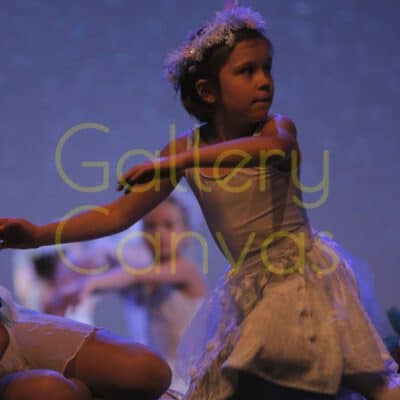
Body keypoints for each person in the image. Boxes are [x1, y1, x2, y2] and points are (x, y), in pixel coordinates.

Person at [1, 5, 399, 399]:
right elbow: (118, 215)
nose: (264, 81)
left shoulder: (275, 129)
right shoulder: (185, 150)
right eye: (247, 71)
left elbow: (271, 149)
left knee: (362, 377)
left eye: (267, 69)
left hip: (299, 275)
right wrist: (39, 235)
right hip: (250, 288)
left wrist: (179, 162)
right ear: (208, 91)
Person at [52, 195, 206, 392]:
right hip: (159, 378)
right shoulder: (143, 281)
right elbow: (121, 275)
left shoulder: (186, 270)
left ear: (186, 232)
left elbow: (133, 274)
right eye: (151, 226)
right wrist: (76, 288)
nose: (160, 233)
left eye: (169, 225)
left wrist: (91, 283)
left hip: (189, 380)